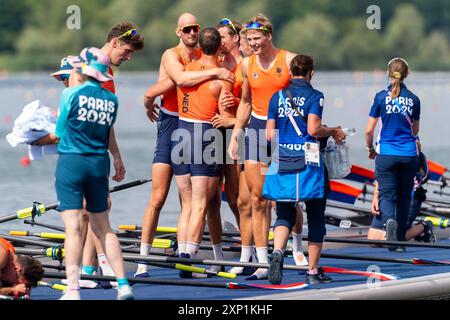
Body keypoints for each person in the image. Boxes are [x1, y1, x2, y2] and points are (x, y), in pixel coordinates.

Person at [135, 12, 234, 277]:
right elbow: (171, 83)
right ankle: (147, 260)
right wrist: (148, 107)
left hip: (189, 126)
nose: (191, 33)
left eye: (195, 29)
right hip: (174, 124)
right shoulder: (172, 56)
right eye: (187, 29)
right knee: (160, 197)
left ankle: (201, 256)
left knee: (197, 201)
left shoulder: (198, 58)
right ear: (179, 32)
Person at [55, 47, 133, 300]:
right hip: (99, 164)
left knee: (73, 229)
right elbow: (105, 132)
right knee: (105, 228)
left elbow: (57, 134)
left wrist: (34, 141)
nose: (65, 81)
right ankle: (123, 285)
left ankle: (74, 289)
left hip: (73, 163)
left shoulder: (70, 94)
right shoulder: (112, 99)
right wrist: (118, 157)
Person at [227, 14, 299, 280]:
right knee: (258, 200)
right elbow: (245, 102)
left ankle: (297, 247)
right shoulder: (246, 65)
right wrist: (236, 134)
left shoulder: (289, 60)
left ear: (269, 36)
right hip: (256, 130)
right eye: (249, 39)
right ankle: (262, 260)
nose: (253, 43)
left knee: (285, 197)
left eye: (257, 38)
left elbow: (303, 96)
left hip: (284, 131)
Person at [263, 54, 345, 285]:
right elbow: (313, 128)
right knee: (316, 216)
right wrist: (332, 130)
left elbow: (269, 134)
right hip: (308, 163)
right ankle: (312, 270)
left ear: (290, 72)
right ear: (312, 72)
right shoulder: (315, 96)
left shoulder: (276, 97)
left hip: (283, 160)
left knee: (284, 214)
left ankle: (278, 253)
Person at [174, 27, 233, 275]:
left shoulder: (186, 70)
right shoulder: (222, 79)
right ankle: (188, 258)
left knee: (187, 204)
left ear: (199, 46)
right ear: (219, 47)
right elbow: (226, 117)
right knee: (201, 204)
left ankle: (182, 254)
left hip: (181, 134)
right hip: (205, 136)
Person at [365, 57, 420, 249]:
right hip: (408, 154)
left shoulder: (380, 97)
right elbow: (415, 131)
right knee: (405, 196)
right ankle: (400, 239)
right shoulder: (414, 99)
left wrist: (370, 148)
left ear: (388, 74)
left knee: (386, 195)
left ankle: (389, 223)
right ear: (407, 74)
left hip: (386, 154)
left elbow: (369, 130)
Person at [369, 149, 435, 246]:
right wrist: (375, 197)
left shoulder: (414, 149)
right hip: (388, 197)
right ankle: (401, 232)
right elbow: (380, 176)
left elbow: (425, 176)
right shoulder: (384, 144)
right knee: (372, 240)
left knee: (393, 239)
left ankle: (424, 226)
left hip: (409, 198)